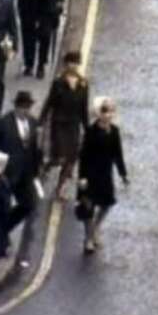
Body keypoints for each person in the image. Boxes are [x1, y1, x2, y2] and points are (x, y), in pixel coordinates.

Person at [78, 97, 128, 255]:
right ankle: (88, 239)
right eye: (105, 111)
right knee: (88, 208)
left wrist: (123, 174)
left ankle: (95, 229)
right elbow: (84, 156)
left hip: (106, 174)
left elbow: (118, 154)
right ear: (99, 113)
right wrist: (82, 177)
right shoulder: (91, 131)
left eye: (111, 112)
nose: (108, 115)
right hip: (90, 175)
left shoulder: (114, 131)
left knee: (106, 204)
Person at [40, 51, 89, 199]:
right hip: (59, 123)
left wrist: (87, 129)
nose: (72, 66)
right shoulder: (58, 82)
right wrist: (41, 121)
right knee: (60, 157)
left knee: (71, 159)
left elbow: (83, 108)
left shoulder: (83, 84)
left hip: (73, 125)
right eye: (70, 63)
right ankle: (46, 166)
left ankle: (60, 188)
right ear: (65, 64)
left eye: (75, 63)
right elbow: (50, 103)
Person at [0, 89, 42, 230]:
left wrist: (36, 171)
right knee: (2, 206)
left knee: (29, 205)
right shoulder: (2, 122)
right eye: (23, 107)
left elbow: (35, 149)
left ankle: (4, 228)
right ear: (16, 107)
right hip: (7, 172)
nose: (26, 111)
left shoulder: (33, 122)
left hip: (26, 173)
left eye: (28, 107)